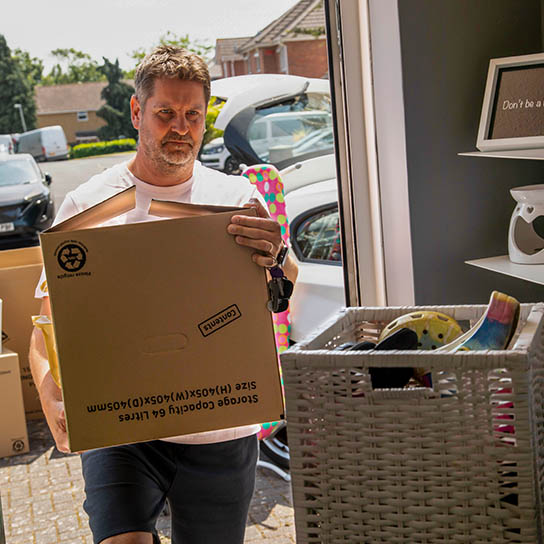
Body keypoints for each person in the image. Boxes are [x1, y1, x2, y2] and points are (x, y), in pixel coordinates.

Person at [29, 45, 298, 544]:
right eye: (166, 113)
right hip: (123, 430)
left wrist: (277, 258)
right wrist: (51, 399)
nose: (181, 126)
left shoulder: (235, 200)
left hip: (221, 426)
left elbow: (285, 287)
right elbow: (45, 330)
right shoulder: (88, 207)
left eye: (193, 114)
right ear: (136, 112)